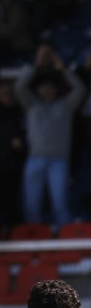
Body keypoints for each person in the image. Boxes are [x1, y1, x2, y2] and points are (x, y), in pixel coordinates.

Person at [16, 54, 85, 227]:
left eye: (51, 87)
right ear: (38, 90)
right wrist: (35, 68)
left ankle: (64, 238)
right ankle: (33, 239)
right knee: (31, 204)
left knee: (60, 202)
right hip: (35, 159)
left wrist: (64, 70)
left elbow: (80, 89)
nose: (47, 90)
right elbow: (19, 88)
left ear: (56, 89)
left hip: (58, 161)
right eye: (44, 87)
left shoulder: (66, 106)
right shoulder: (31, 104)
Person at [0, 80, 23, 231]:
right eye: (3, 93)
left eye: (9, 93)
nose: (7, 96)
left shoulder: (20, 112)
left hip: (14, 166)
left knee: (12, 203)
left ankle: (15, 233)